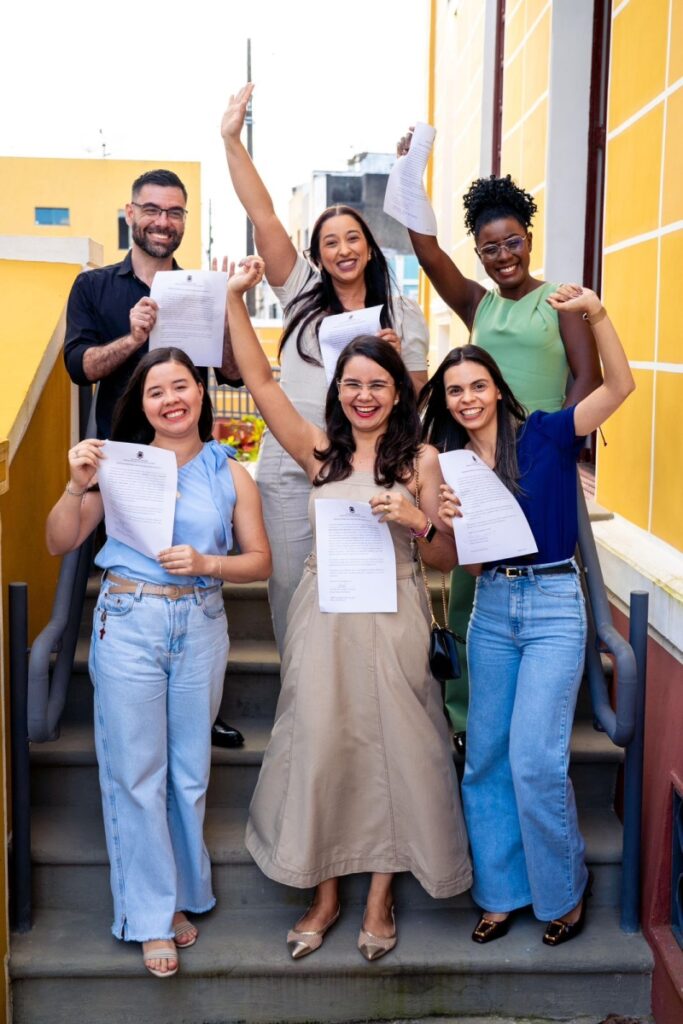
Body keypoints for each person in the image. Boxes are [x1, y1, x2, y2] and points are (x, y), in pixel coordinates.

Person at [226, 256, 471, 960]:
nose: (365, 395)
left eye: (378, 385)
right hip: (323, 613)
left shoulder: (421, 460)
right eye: (353, 384)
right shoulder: (319, 452)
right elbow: (263, 382)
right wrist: (237, 301)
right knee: (322, 740)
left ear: (397, 393)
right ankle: (324, 893)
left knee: (397, 749)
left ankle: (380, 898)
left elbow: (445, 558)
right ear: (340, 392)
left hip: (393, 613)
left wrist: (415, 519)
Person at [46, 347, 272, 978]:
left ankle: (178, 893)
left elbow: (260, 560)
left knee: (189, 772)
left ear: (201, 394)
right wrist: (75, 485)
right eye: (155, 391)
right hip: (130, 619)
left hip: (200, 621)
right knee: (136, 773)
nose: (171, 399)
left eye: (181, 387)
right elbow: (60, 539)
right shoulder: (118, 466)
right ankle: (150, 917)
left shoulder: (231, 473)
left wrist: (208, 564)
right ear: (141, 404)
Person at [422, 284, 634, 946]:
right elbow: (458, 564)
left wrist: (595, 314)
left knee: (535, 761)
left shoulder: (543, 431)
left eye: (475, 385)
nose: (465, 398)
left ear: (496, 387)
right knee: (484, 755)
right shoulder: (448, 465)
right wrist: (438, 521)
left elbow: (618, 388)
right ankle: (500, 892)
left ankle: (561, 889)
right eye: (454, 390)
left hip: (550, 606)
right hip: (490, 608)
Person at [395, 144, 603, 747]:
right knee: (469, 585)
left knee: (541, 575)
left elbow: (586, 382)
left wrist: (546, 449)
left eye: (512, 242)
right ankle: (467, 723)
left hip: (539, 462)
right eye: (490, 248)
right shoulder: (477, 303)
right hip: (477, 463)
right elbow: (427, 251)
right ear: (480, 254)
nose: (503, 256)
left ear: (528, 239)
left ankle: (536, 721)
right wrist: (411, 174)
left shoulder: (561, 300)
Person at [222, 85, 430, 657]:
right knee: (292, 590)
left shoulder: (404, 315)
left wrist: (388, 356)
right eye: (329, 241)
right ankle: (303, 700)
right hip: (295, 467)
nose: (342, 249)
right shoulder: (302, 294)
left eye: (352, 239)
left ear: (369, 248)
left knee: (366, 599)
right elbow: (262, 214)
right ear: (318, 252)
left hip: (370, 467)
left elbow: (413, 401)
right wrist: (231, 139)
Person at [63, 167, 245, 749]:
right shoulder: (95, 287)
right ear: (130, 213)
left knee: (198, 572)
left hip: (192, 462)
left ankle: (200, 705)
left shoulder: (196, 286)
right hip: (125, 470)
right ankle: (130, 706)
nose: (163, 222)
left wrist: (231, 305)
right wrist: (134, 340)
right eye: (153, 210)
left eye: (174, 213)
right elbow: (81, 367)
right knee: (133, 581)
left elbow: (234, 372)